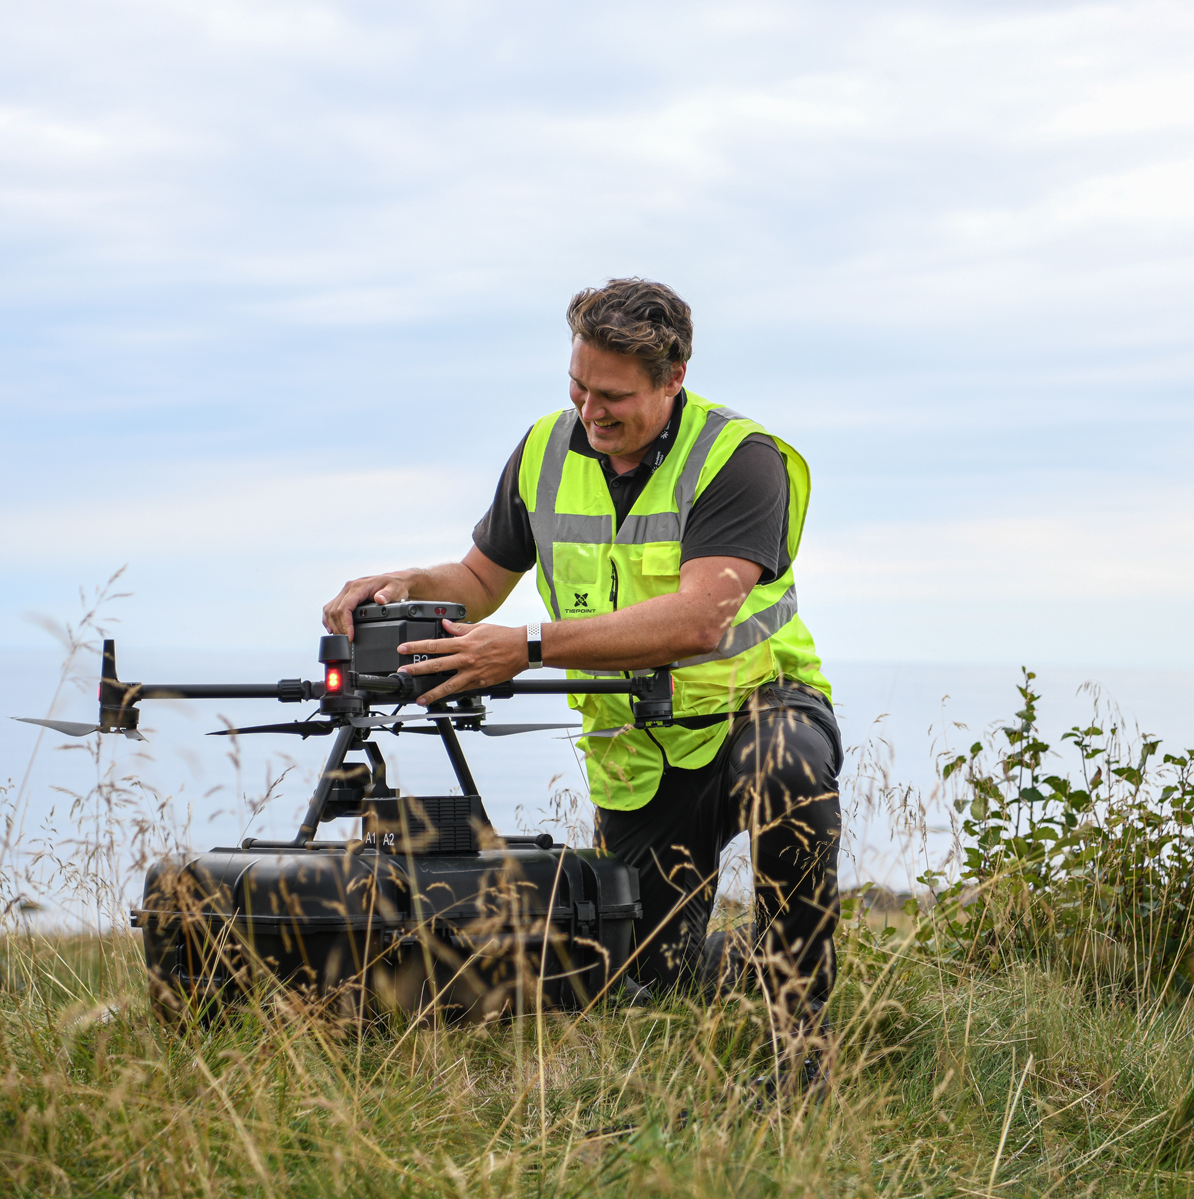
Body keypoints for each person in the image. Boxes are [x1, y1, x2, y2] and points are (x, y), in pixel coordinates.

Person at [322, 279, 840, 1072]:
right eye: (578, 386)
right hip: (639, 754)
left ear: (673, 380)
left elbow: (700, 619)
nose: (590, 411)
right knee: (648, 980)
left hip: (757, 710)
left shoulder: (741, 459)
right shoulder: (544, 449)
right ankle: (749, 964)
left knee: (789, 773)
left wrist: (526, 647)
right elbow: (479, 579)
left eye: (613, 396)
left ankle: (799, 1044)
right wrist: (406, 583)